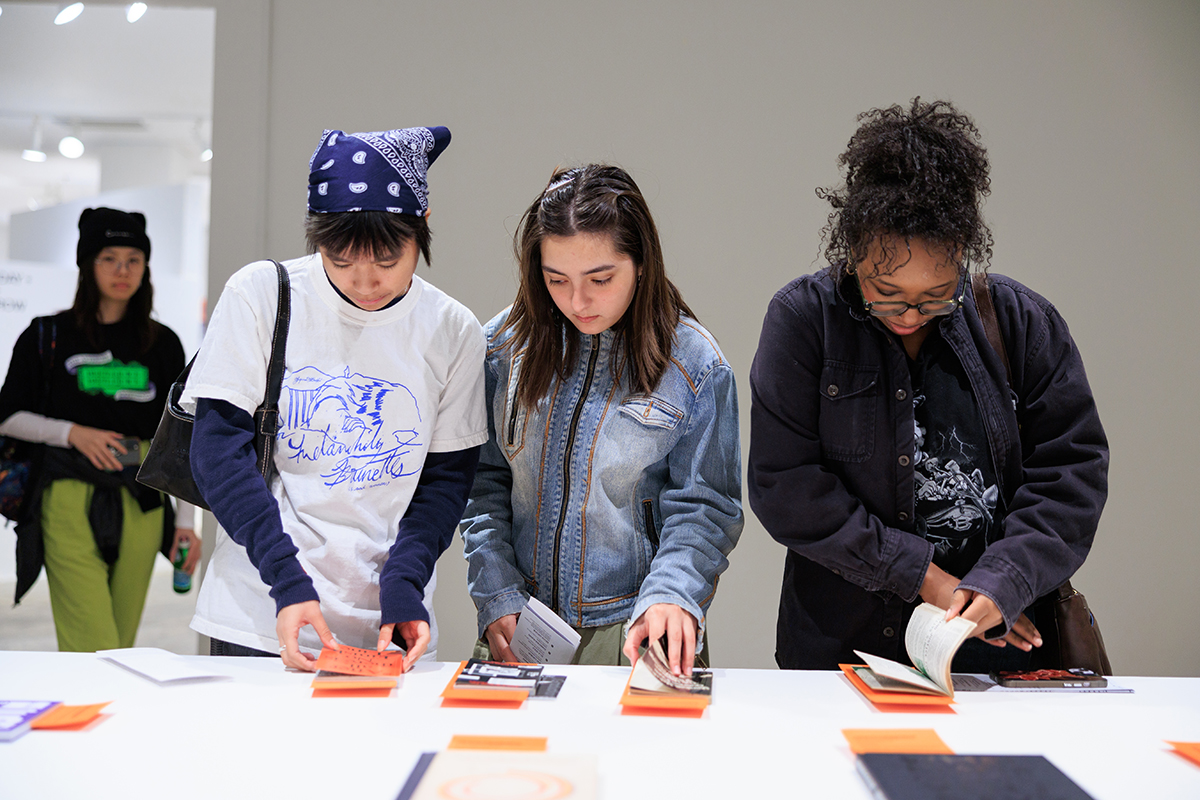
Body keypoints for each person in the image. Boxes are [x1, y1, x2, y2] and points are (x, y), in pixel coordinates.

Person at [748, 99, 1109, 672]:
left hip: (992, 653)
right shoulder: (804, 320)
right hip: (841, 649)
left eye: (934, 295)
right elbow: (784, 484)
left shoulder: (1021, 323)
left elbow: (1072, 474)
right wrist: (924, 577)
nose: (909, 315)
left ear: (962, 255)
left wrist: (1004, 580)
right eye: (884, 292)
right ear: (854, 251)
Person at [182, 127, 486, 672]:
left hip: (390, 626)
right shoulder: (261, 295)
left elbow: (446, 482)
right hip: (262, 616)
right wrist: (285, 579)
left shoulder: (452, 330)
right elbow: (217, 454)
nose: (365, 282)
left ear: (423, 229)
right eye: (340, 261)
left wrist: (404, 581)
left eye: (388, 261)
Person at [461, 164, 743, 676]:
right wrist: (496, 592)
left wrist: (674, 593)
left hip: (643, 628)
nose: (578, 301)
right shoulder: (502, 349)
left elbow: (705, 507)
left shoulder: (696, 364)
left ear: (641, 263)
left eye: (601, 278)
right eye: (556, 280)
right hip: (520, 625)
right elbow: (481, 484)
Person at [0, 207, 199, 651]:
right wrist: (73, 433)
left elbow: (181, 436)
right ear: (87, 264)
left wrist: (186, 523)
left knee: (120, 639)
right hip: (67, 495)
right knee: (90, 640)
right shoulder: (45, 335)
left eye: (133, 258)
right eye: (109, 257)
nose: (122, 270)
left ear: (146, 267)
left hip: (143, 499)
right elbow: (8, 415)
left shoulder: (162, 342)